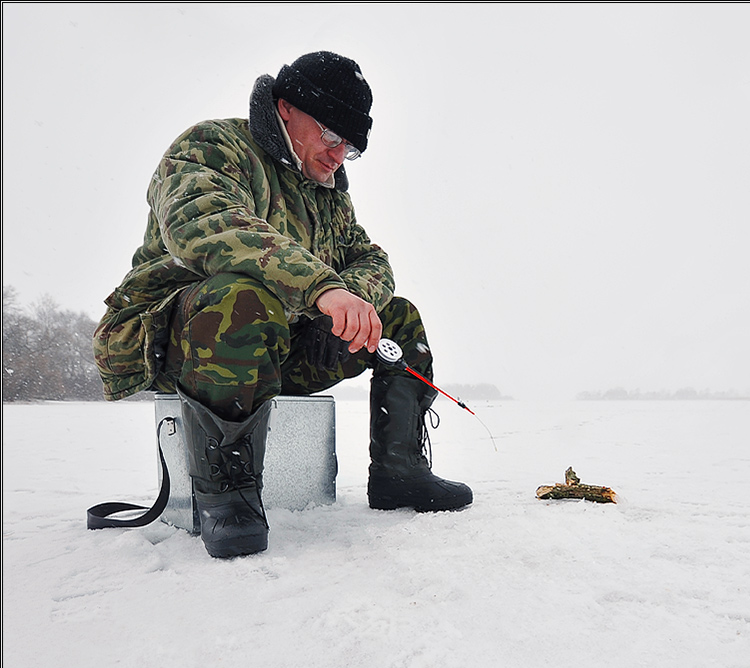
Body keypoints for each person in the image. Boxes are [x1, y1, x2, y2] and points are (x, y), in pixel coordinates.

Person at [92, 51, 471, 559]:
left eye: (350, 147)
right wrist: (321, 288)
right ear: (286, 107)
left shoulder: (327, 194)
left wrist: (349, 300)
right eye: (331, 136)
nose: (338, 156)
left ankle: (398, 471)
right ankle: (227, 496)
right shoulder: (211, 146)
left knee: (395, 319)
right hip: (182, 343)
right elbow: (205, 225)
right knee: (244, 299)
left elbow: (370, 257)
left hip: (278, 348)